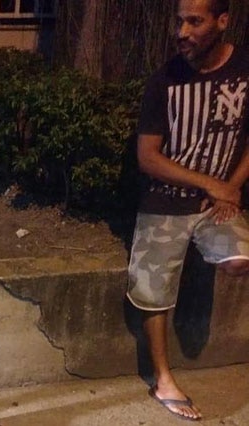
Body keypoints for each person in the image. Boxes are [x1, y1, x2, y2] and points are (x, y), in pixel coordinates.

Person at [127, 0, 249, 421]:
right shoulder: (165, 80)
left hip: (218, 203)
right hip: (165, 199)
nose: (182, 31)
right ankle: (162, 378)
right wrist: (209, 183)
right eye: (180, 21)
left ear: (222, 21)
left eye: (194, 21)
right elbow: (148, 156)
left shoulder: (244, 71)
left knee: (238, 260)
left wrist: (230, 187)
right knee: (151, 291)